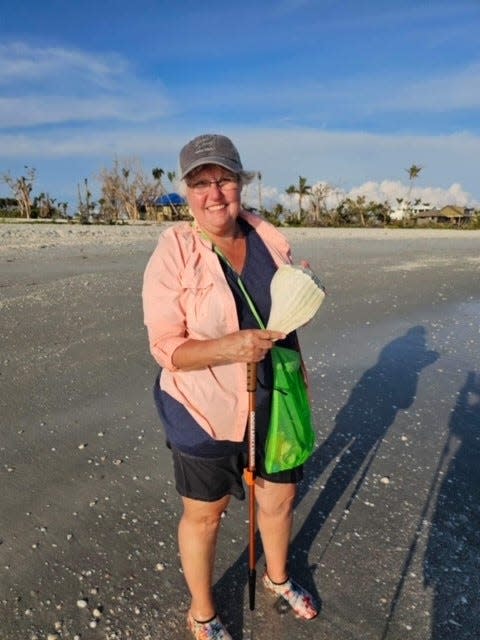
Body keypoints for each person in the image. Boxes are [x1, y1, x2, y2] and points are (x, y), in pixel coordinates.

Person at [142, 134, 318, 640]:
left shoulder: (269, 238)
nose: (213, 193)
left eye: (223, 179)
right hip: (201, 406)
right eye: (200, 183)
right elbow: (167, 350)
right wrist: (229, 348)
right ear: (187, 191)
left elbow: (288, 317)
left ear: (241, 181)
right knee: (206, 514)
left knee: (280, 498)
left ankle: (278, 578)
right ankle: (202, 612)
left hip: (274, 395)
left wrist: (299, 365)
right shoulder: (173, 251)